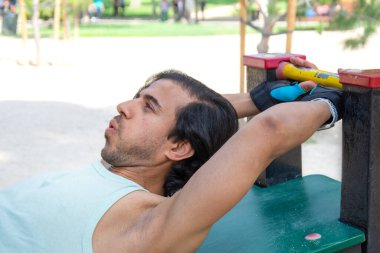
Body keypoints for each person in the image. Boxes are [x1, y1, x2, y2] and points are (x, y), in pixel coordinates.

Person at [0, 57, 342, 252]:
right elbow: (190, 115)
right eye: (138, 97)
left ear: (178, 147)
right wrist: (256, 98)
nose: (123, 106)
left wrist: (332, 102)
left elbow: (267, 131)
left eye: (147, 107)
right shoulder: (114, 167)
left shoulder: (150, 225)